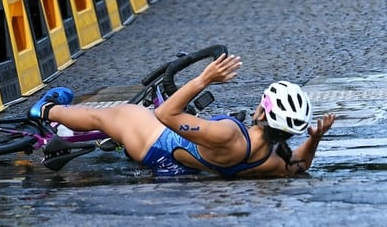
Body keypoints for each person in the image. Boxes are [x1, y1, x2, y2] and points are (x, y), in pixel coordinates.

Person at [29, 53, 337, 177]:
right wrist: (316, 139)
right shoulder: (271, 160)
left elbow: (165, 113)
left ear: (263, 111)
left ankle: (46, 108)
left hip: (156, 143)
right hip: (177, 164)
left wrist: (203, 79)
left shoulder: (229, 133)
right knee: (125, 120)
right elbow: (299, 166)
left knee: (119, 114)